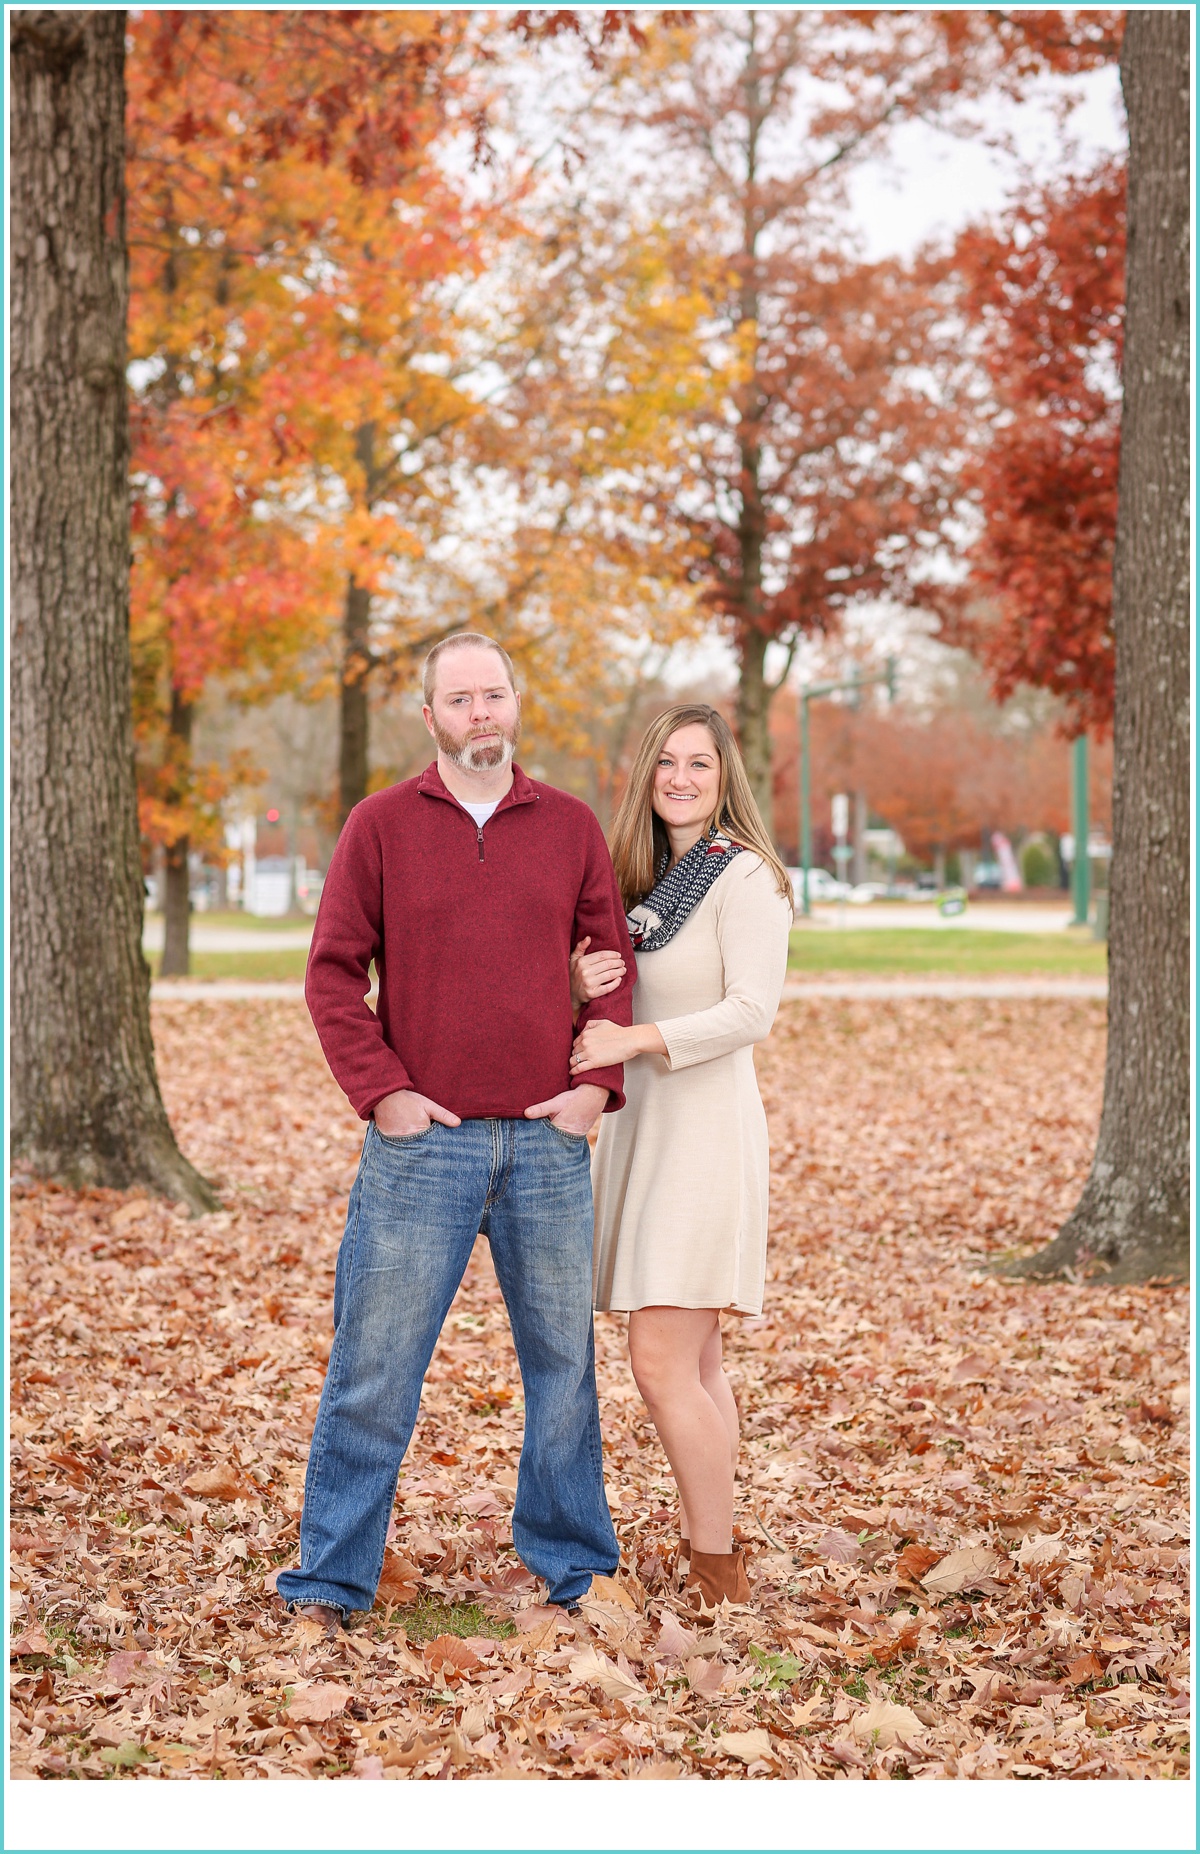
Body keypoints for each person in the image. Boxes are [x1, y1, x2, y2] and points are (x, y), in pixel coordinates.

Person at [276, 633, 636, 1630]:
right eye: (460, 698)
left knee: (563, 1371)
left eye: (495, 695)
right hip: (420, 1145)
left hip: (545, 1144)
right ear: (428, 716)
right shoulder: (380, 826)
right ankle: (331, 1582)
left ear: (515, 707)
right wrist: (382, 1090)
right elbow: (332, 975)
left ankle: (573, 1567)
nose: (481, 713)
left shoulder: (567, 826)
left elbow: (610, 964)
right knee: (374, 1370)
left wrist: (595, 1087)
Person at [568, 705, 793, 1611]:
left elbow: (752, 1012)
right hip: (640, 1133)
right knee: (698, 1366)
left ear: (724, 774)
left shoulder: (745, 877)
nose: (682, 778)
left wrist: (640, 1038)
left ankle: (717, 1566)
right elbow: (610, 981)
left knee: (660, 1360)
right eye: (666, 762)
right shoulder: (641, 880)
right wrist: (579, 982)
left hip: (703, 1137)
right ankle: (717, 1550)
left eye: (699, 762)